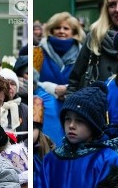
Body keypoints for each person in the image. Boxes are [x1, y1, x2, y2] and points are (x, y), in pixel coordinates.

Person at [35, 12, 84, 145]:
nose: (61, 31)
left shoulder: (83, 53)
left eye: (66, 28)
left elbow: (86, 80)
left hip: (75, 99)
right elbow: (33, 81)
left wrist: (69, 90)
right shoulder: (39, 51)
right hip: (47, 101)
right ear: (51, 30)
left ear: (74, 32)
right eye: (58, 28)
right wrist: (54, 89)